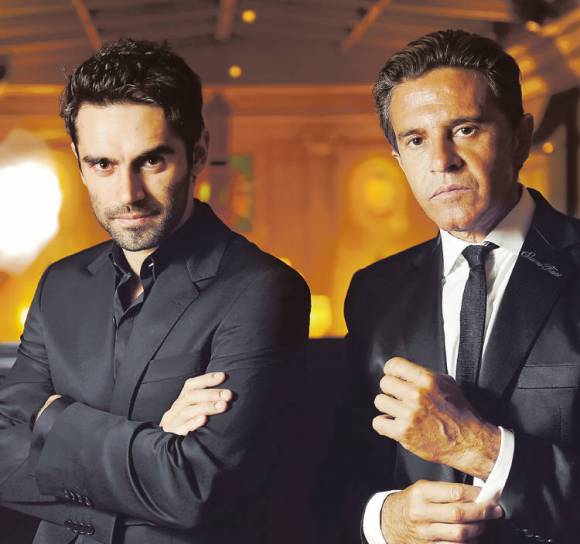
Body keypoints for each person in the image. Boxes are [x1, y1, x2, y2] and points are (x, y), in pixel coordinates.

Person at [0, 39, 310, 544]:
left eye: (151, 161)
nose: (128, 194)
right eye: (103, 165)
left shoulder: (263, 289)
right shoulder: (60, 284)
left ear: (198, 152)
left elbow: (195, 487)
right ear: (79, 162)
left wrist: (52, 420)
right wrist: (154, 446)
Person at [343, 29, 580, 544]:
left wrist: (481, 448)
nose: (441, 160)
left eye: (466, 129)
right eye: (415, 140)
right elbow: (338, 467)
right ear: (399, 158)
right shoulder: (373, 292)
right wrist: (384, 518)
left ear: (520, 138)